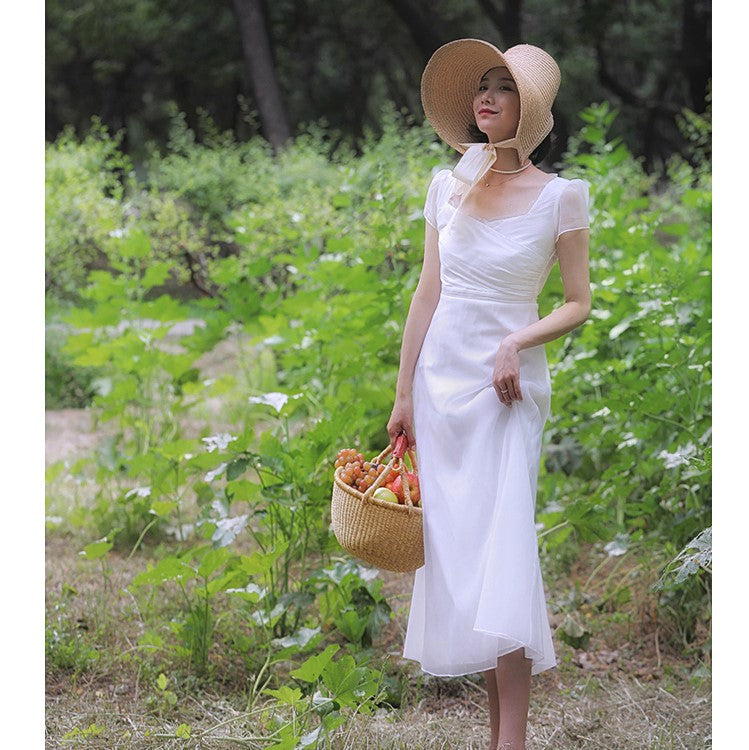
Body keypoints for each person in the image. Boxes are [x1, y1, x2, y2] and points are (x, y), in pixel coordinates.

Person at [386, 39, 591, 750]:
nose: (487, 97)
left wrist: (517, 342)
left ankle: (513, 740)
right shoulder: (446, 186)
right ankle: (495, 735)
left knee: (504, 553)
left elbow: (576, 303)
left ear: (526, 108)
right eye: (481, 86)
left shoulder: (560, 197)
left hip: (507, 389)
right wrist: (403, 391)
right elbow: (426, 293)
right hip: (441, 387)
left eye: (503, 88)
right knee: (462, 558)